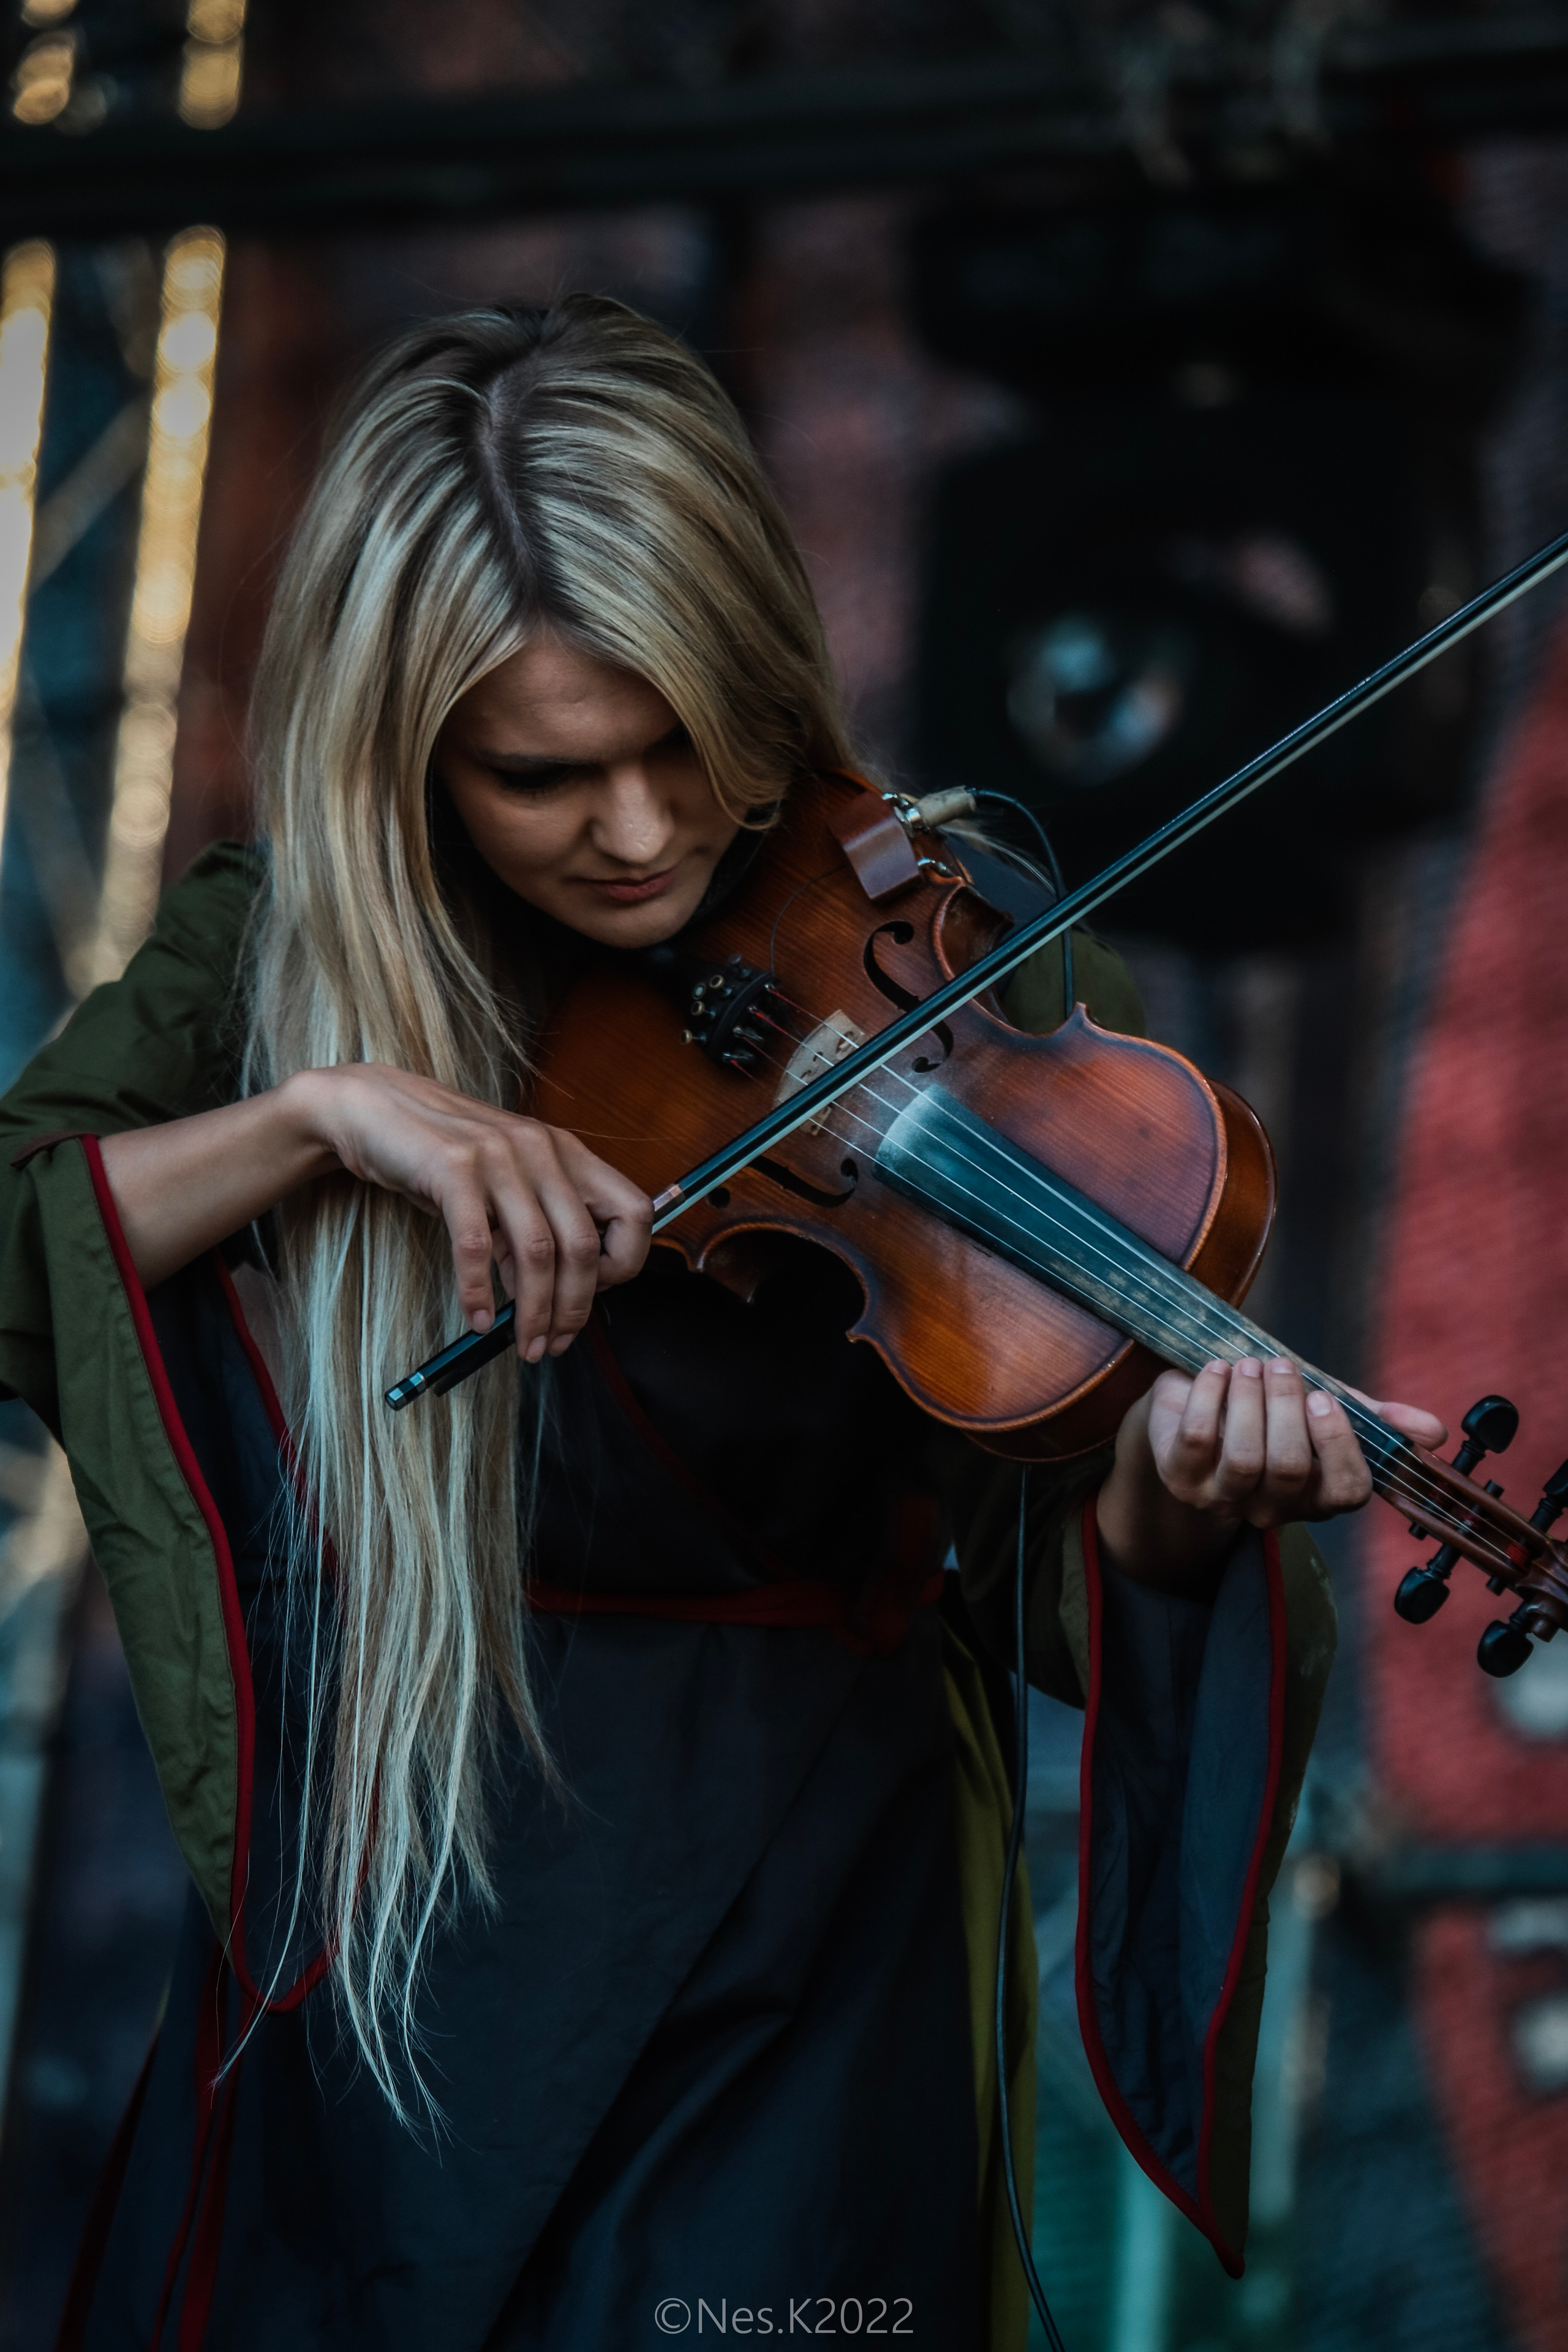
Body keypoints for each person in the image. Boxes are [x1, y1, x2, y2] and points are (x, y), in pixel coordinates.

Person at [0, 297, 1442, 2352]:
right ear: (402, 755)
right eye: (544, 777)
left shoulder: (938, 941)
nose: (649, 830)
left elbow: (1047, 1545)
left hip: (811, 1916)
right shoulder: (277, 963)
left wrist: (1176, 1515)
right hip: (406, 1920)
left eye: (686, 735)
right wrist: (319, 1120)